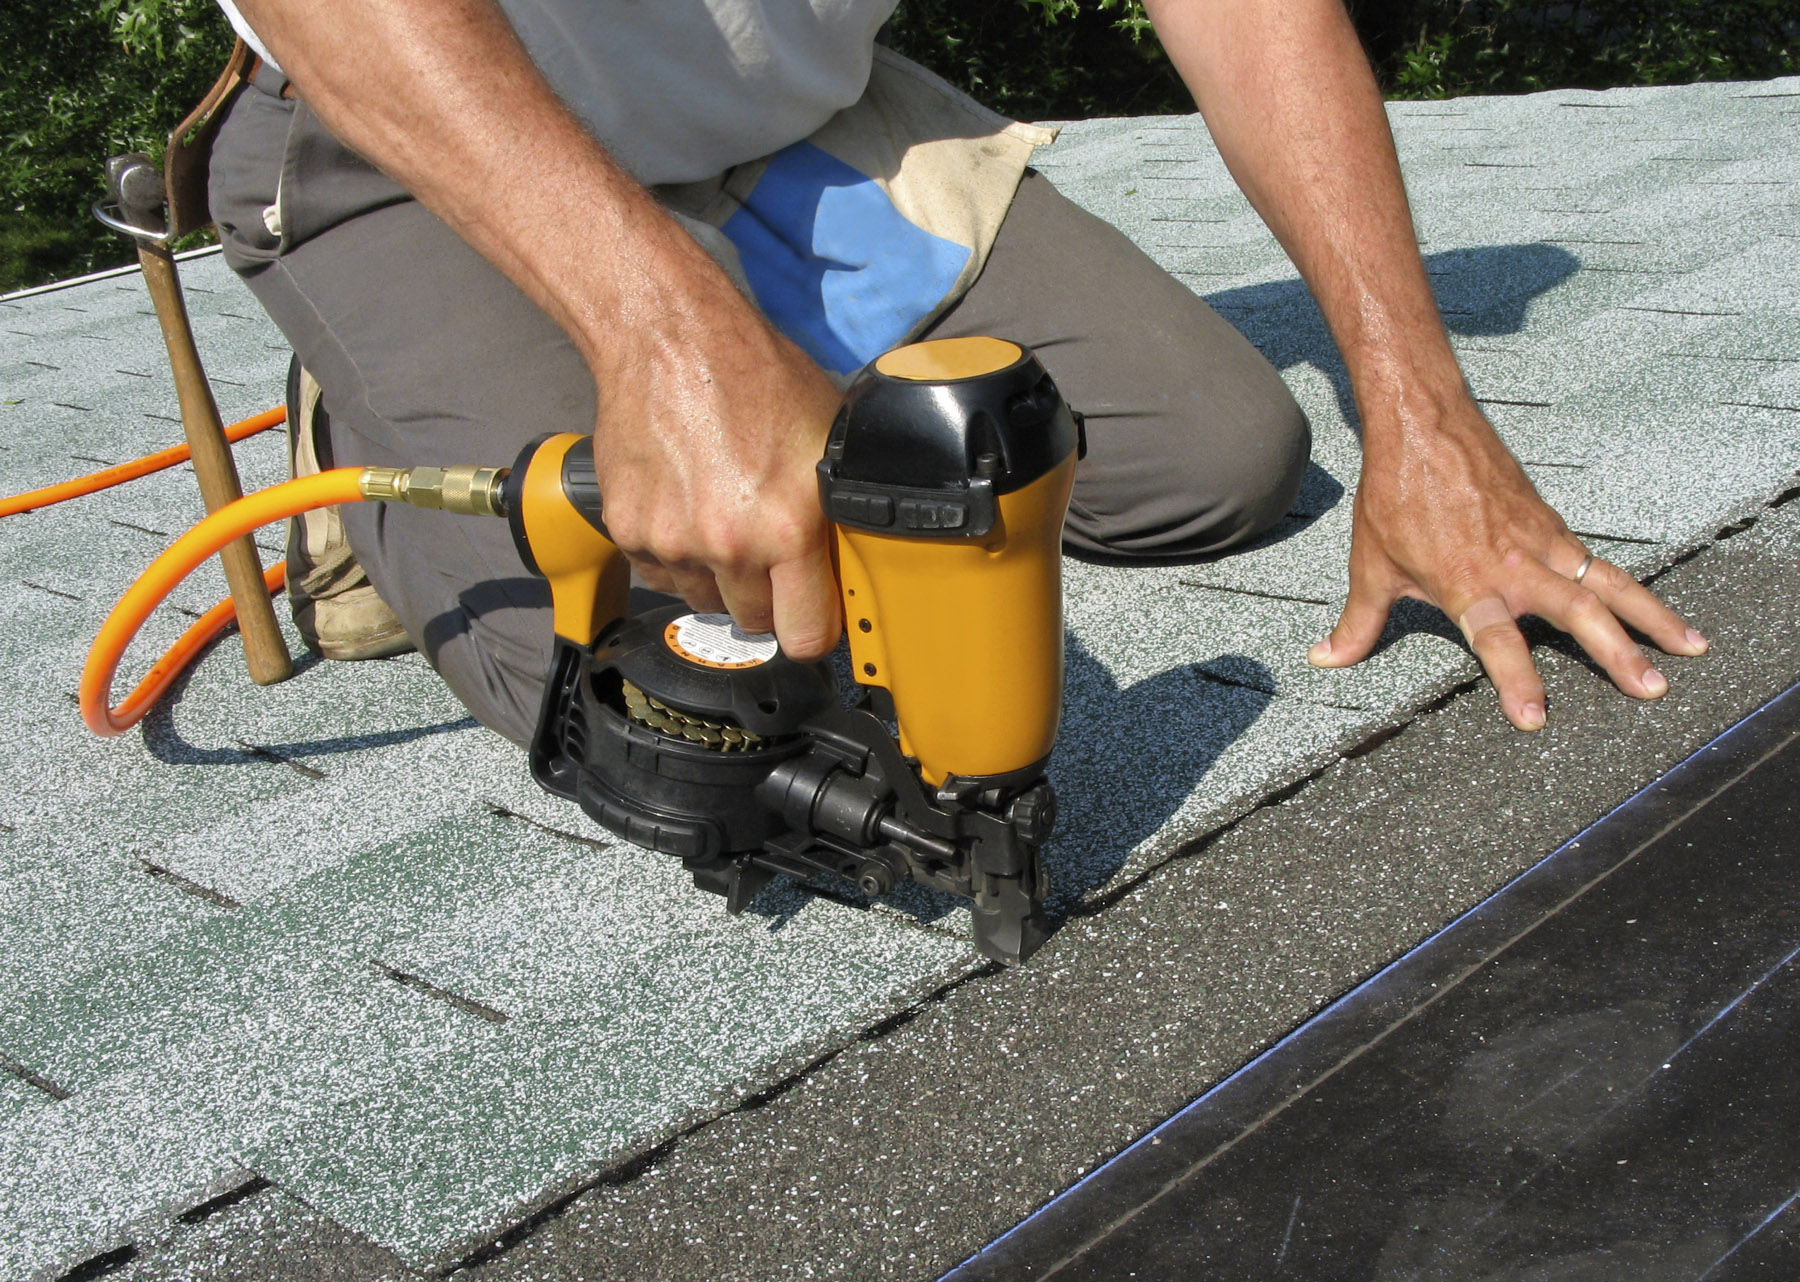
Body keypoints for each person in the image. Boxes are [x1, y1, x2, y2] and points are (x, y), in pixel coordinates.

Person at [207, 0, 1705, 749]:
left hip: (784, 125)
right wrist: (663, 338)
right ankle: (370, 411)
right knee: (691, 701)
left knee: (1223, 455)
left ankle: (748, 319)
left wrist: (1418, 408)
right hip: (429, 139)